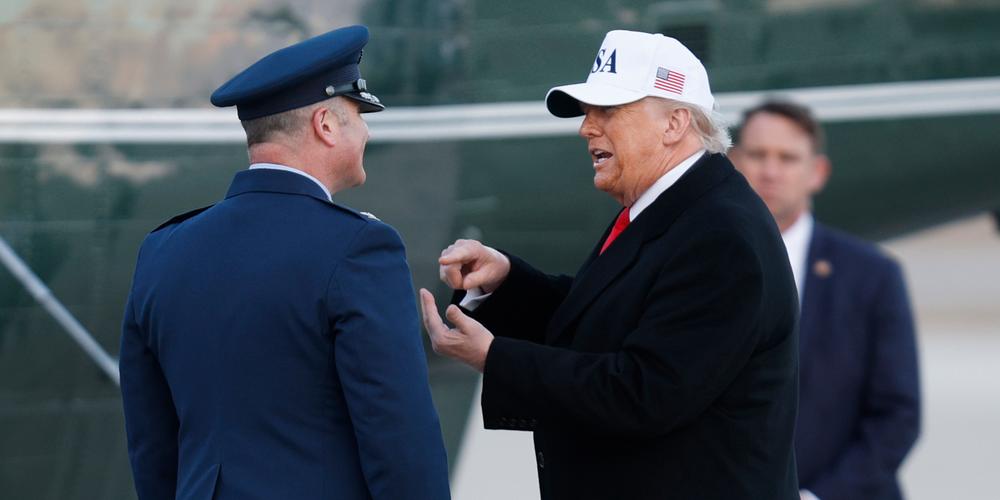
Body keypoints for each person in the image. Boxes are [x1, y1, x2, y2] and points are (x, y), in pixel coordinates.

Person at [420, 30, 799, 500]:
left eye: (610, 112)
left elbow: (644, 394)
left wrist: (496, 358)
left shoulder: (721, 234)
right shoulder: (674, 207)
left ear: (675, 123)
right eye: (588, 112)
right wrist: (506, 283)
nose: (586, 127)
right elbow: (610, 315)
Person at [119, 25, 450, 500]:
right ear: (326, 125)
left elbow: (151, 443)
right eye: (359, 114)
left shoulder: (162, 250)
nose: (368, 130)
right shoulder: (360, 248)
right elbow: (399, 437)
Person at [731, 100, 921, 500]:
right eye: (758, 155)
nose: (770, 171)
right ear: (733, 162)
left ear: (817, 172)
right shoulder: (697, 265)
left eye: (787, 158)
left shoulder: (872, 276)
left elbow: (898, 415)